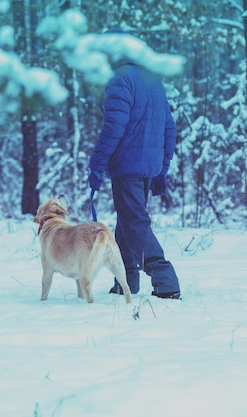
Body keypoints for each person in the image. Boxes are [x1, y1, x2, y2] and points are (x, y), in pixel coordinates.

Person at [88, 28, 181, 300]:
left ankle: (165, 280)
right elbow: (170, 128)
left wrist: (96, 165)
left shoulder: (119, 79)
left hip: (128, 166)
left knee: (135, 223)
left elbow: (113, 128)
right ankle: (126, 281)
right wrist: (161, 169)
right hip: (147, 166)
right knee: (127, 223)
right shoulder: (153, 80)